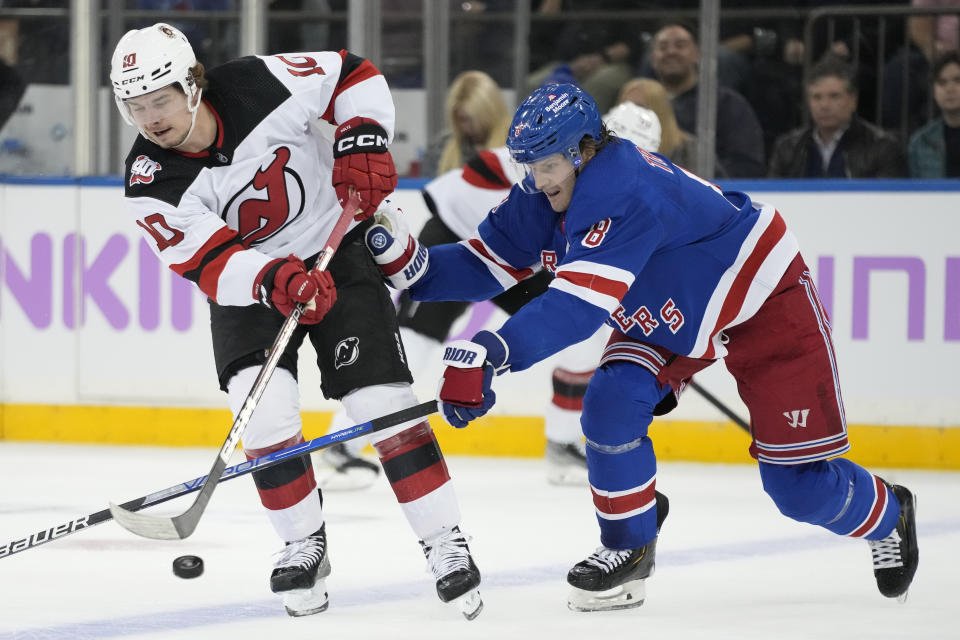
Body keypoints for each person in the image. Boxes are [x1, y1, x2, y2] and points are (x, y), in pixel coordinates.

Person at [363, 82, 919, 611]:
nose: (536, 179)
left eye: (548, 165)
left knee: (796, 489)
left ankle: (890, 514)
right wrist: (413, 268)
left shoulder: (622, 189)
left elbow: (576, 308)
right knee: (610, 402)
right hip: (669, 303)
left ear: (584, 151)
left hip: (759, 296)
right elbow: (488, 262)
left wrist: (492, 350)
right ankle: (631, 544)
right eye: (528, 166)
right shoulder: (546, 185)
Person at [109, 23, 482, 620]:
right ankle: (302, 543)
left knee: (382, 403)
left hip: (338, 249)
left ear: (191, 84)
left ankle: (445, 543)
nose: (151, 119)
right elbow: (206, 261)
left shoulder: (257, 82)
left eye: (160, 100)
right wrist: (270, 279)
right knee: (262, 414)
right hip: (253, 284)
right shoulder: (150, 181)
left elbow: (351, 74)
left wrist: (362, 136)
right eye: (136, 106)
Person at [317, 100, 663, 489]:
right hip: (460, 237)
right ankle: (341, 448)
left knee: (586, 338)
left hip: (519, 256)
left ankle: (562, 444)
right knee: (413, 341)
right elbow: (477, 179)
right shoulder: (543, 155)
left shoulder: (617, 187)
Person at [649, 21, 766, 178]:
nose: (671, 52)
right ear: (652, 58)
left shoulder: (727, 104)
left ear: (697, 54)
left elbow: (747, 166)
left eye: (680, 45)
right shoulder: (639, 104)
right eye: (663, 47)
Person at [768, 56, 907, 178]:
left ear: (853, 100)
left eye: (834, 96)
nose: (824, 105)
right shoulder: (787, 147)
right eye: (816, 97)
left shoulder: (882, 147)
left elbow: (887, 202)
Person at [420, 70, 512, 177]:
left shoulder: (520, 146)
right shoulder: (440, 148)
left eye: (478, 118)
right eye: (463, 119)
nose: (471, 127)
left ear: (492, 113)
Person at [617, 77, 701, 174]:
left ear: (659, 111)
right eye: (626, 105)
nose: (630, 112)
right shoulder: (612, 148)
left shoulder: (688, 150)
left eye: (640, 107)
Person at [908, 50, 960, 177]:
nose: (950, 89)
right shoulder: (920, 143)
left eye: (957, 80)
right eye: (942, 82)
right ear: (933, 91)